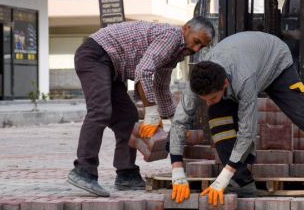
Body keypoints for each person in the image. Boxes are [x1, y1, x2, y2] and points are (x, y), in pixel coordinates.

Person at [168, 31, 304, 206]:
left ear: (225, 84)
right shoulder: (198, 82)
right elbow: (179, 122)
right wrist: (177, 171)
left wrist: (221, 179)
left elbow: (247, 133)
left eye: (212, 98)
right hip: (244, 60)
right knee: (219, 124)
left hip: (276, 62)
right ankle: (244, 183)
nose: (209, 103)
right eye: (205, 99)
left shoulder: (244, 80)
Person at [67, 17, 215, 196]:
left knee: (127, 118)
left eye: (202, 47)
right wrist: (152, 113)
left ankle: (126, 173)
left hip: (111, 66)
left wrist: (177, 121)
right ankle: (83, 170)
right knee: (100, 111)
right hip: (96, 55)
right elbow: (143, 71)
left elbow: (160, 87)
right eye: (196, 42)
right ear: (186, 29)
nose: (196, 49)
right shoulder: (170, 37)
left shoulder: (177, 51)